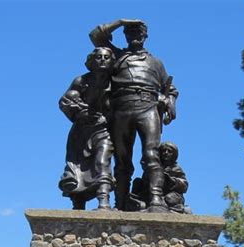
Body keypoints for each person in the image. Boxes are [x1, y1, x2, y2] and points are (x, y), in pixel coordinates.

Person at [89, 19, 178, 212]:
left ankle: (156, 199)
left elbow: (170, 89)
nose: (135, 35)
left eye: (139, 32)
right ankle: (120, 203)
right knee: (122, 160)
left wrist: (170, 101)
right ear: (125, 35)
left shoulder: (156, 63)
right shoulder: (117, 56)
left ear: (145, 35)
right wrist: (121, 22)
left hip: (148, 107)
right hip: (121, 108)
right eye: (130, 32)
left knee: (151, 154)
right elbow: (95, 36)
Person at [58, 47, 115, 210]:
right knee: (77, 166)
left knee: (102, 161)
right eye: (98, 57)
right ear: (92, 61)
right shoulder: (81, 81)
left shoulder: (116, 82)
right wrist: (80, 111)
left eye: (106, 57)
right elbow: (64, 102)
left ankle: (103, 201)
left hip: (103, 130)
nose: (102, 59)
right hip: (81, 131)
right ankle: (78, 204)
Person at [128, 141, 190, 213]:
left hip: (170, 194)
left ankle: (175, 208)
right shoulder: (154, 167)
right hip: (151, 193)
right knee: (137, 182)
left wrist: (171, 181)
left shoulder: (176, 168)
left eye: (169, 151)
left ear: (174, 155)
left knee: (169, 199)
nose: (166, 153)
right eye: (164, 151)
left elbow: (184, 186)